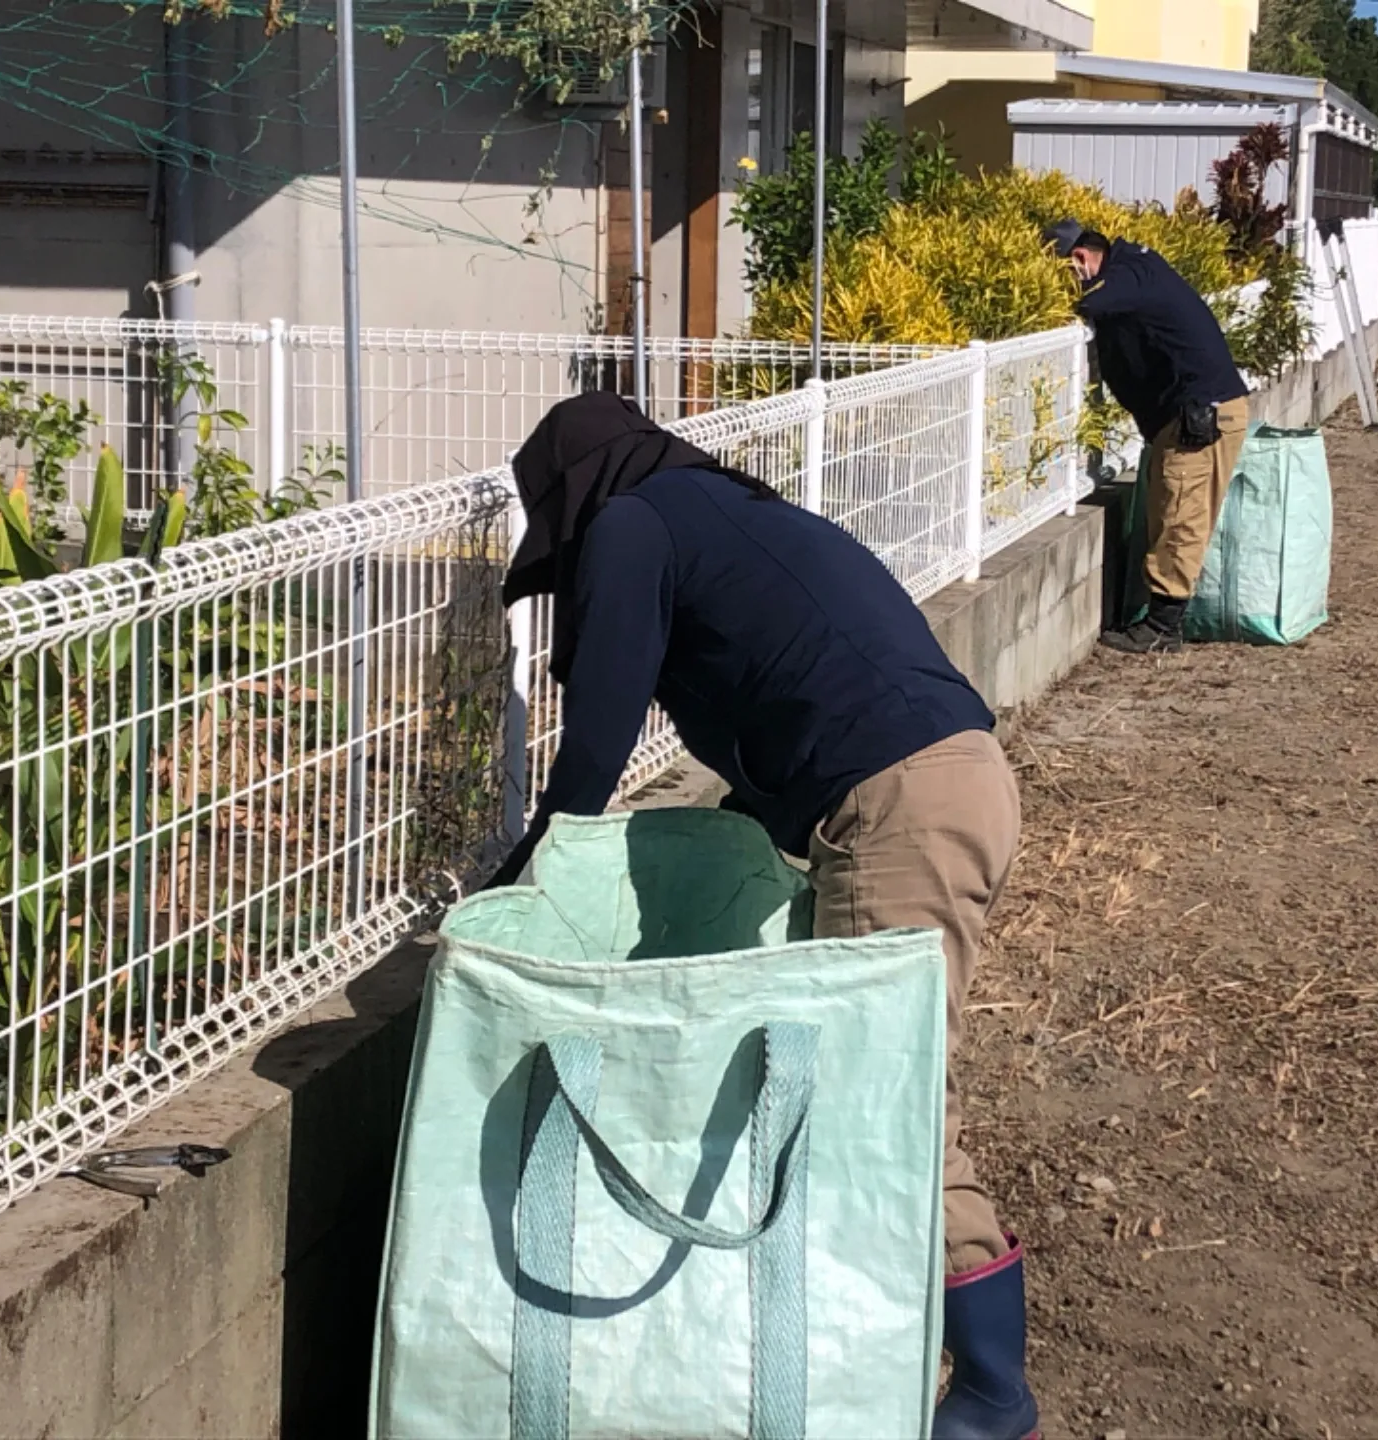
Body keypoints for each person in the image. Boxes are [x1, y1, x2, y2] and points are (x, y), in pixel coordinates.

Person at [490, 392, 1040, 1440]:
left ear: (573, 502)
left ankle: (990, 1395)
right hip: (948, 779)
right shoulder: (723, 518)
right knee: (881, 1084)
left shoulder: (631, 525)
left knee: (882, 1098)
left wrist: (527, 875)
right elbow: (787, 692)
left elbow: (598, 741)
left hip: (901, 805)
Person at [1049, 220, 1251, 656]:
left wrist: (1065, 301)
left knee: (1181, 513)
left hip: (1200, 414)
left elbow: (1094, 302)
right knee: (1172, 510)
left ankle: (1163, 626)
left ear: (1080, 258)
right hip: (1195, 411)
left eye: (1061, 270)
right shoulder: (1137, 266)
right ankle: (1161, 618)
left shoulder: (1127, 277)